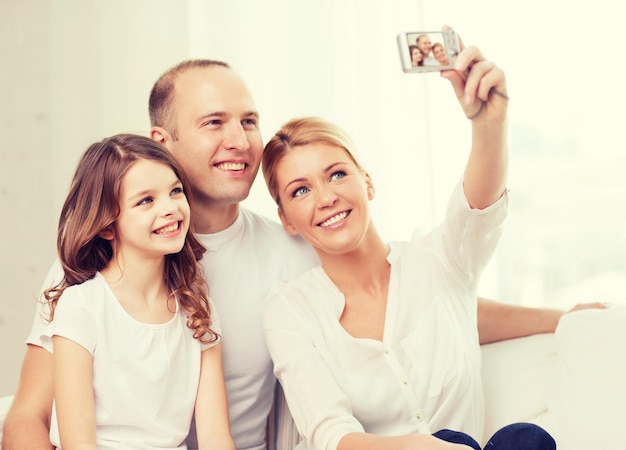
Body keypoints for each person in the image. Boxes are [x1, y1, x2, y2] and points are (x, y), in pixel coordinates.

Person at [3, 57, 602, 450]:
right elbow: (28, 419)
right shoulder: (95, 270)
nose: (238, 140)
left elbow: (419, 304)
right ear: (164, 141)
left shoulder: (292, 250)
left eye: (248, 120)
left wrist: (562, 317)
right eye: (213, 122)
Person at [260, 40, 556, 449]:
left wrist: (489, 125)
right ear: (286, 220)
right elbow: (331, 434)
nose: (325, 197)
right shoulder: (290, 309)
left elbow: (477, 211)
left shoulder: (439, 262)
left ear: (368, 182)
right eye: (299, 191)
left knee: (524, 441)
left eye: (337, 174)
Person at [41, 134, 235, 450]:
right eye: (146, 200)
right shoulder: (81, 307)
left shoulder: (199, 309)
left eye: (175, 191)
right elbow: (79, 445)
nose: (170, 208)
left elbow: (216, 436)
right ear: (106, 225)